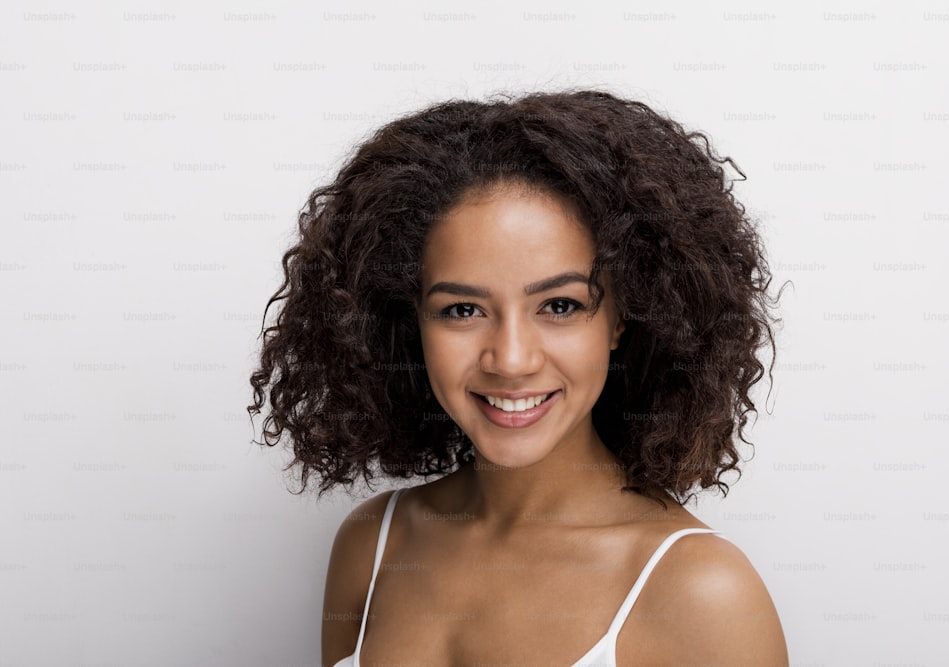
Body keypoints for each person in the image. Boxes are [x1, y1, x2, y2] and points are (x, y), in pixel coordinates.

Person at [248, 89, 789, 666]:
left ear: (621, 318)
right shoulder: (375, 545)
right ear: (410, 323)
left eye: (559, 306)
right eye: (462, 310)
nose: (509, 360)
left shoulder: (700, 593)